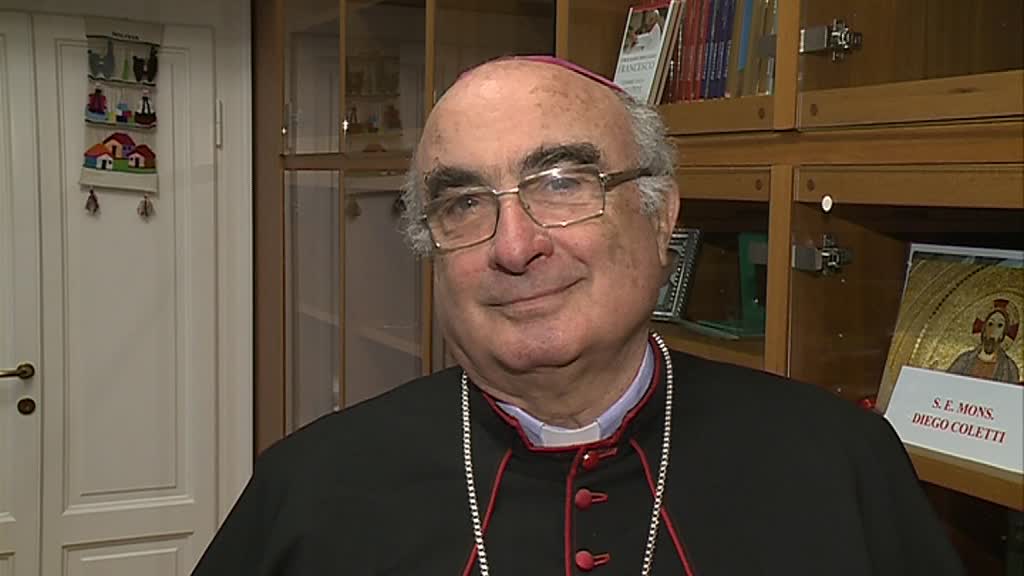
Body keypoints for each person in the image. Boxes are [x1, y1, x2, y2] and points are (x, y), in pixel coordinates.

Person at [192, 56, 964, 575]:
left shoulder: (841, 459)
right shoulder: (310, 487)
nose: (515, 246)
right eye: (464, 204)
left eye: (562, 184)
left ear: (661, 216)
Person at [947, 299, 1021, 384]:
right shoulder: (965, 360)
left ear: (1003, 333)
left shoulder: (1009, 368)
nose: (993, 330)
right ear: (984, 329)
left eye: (999, 325)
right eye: (990, 324)